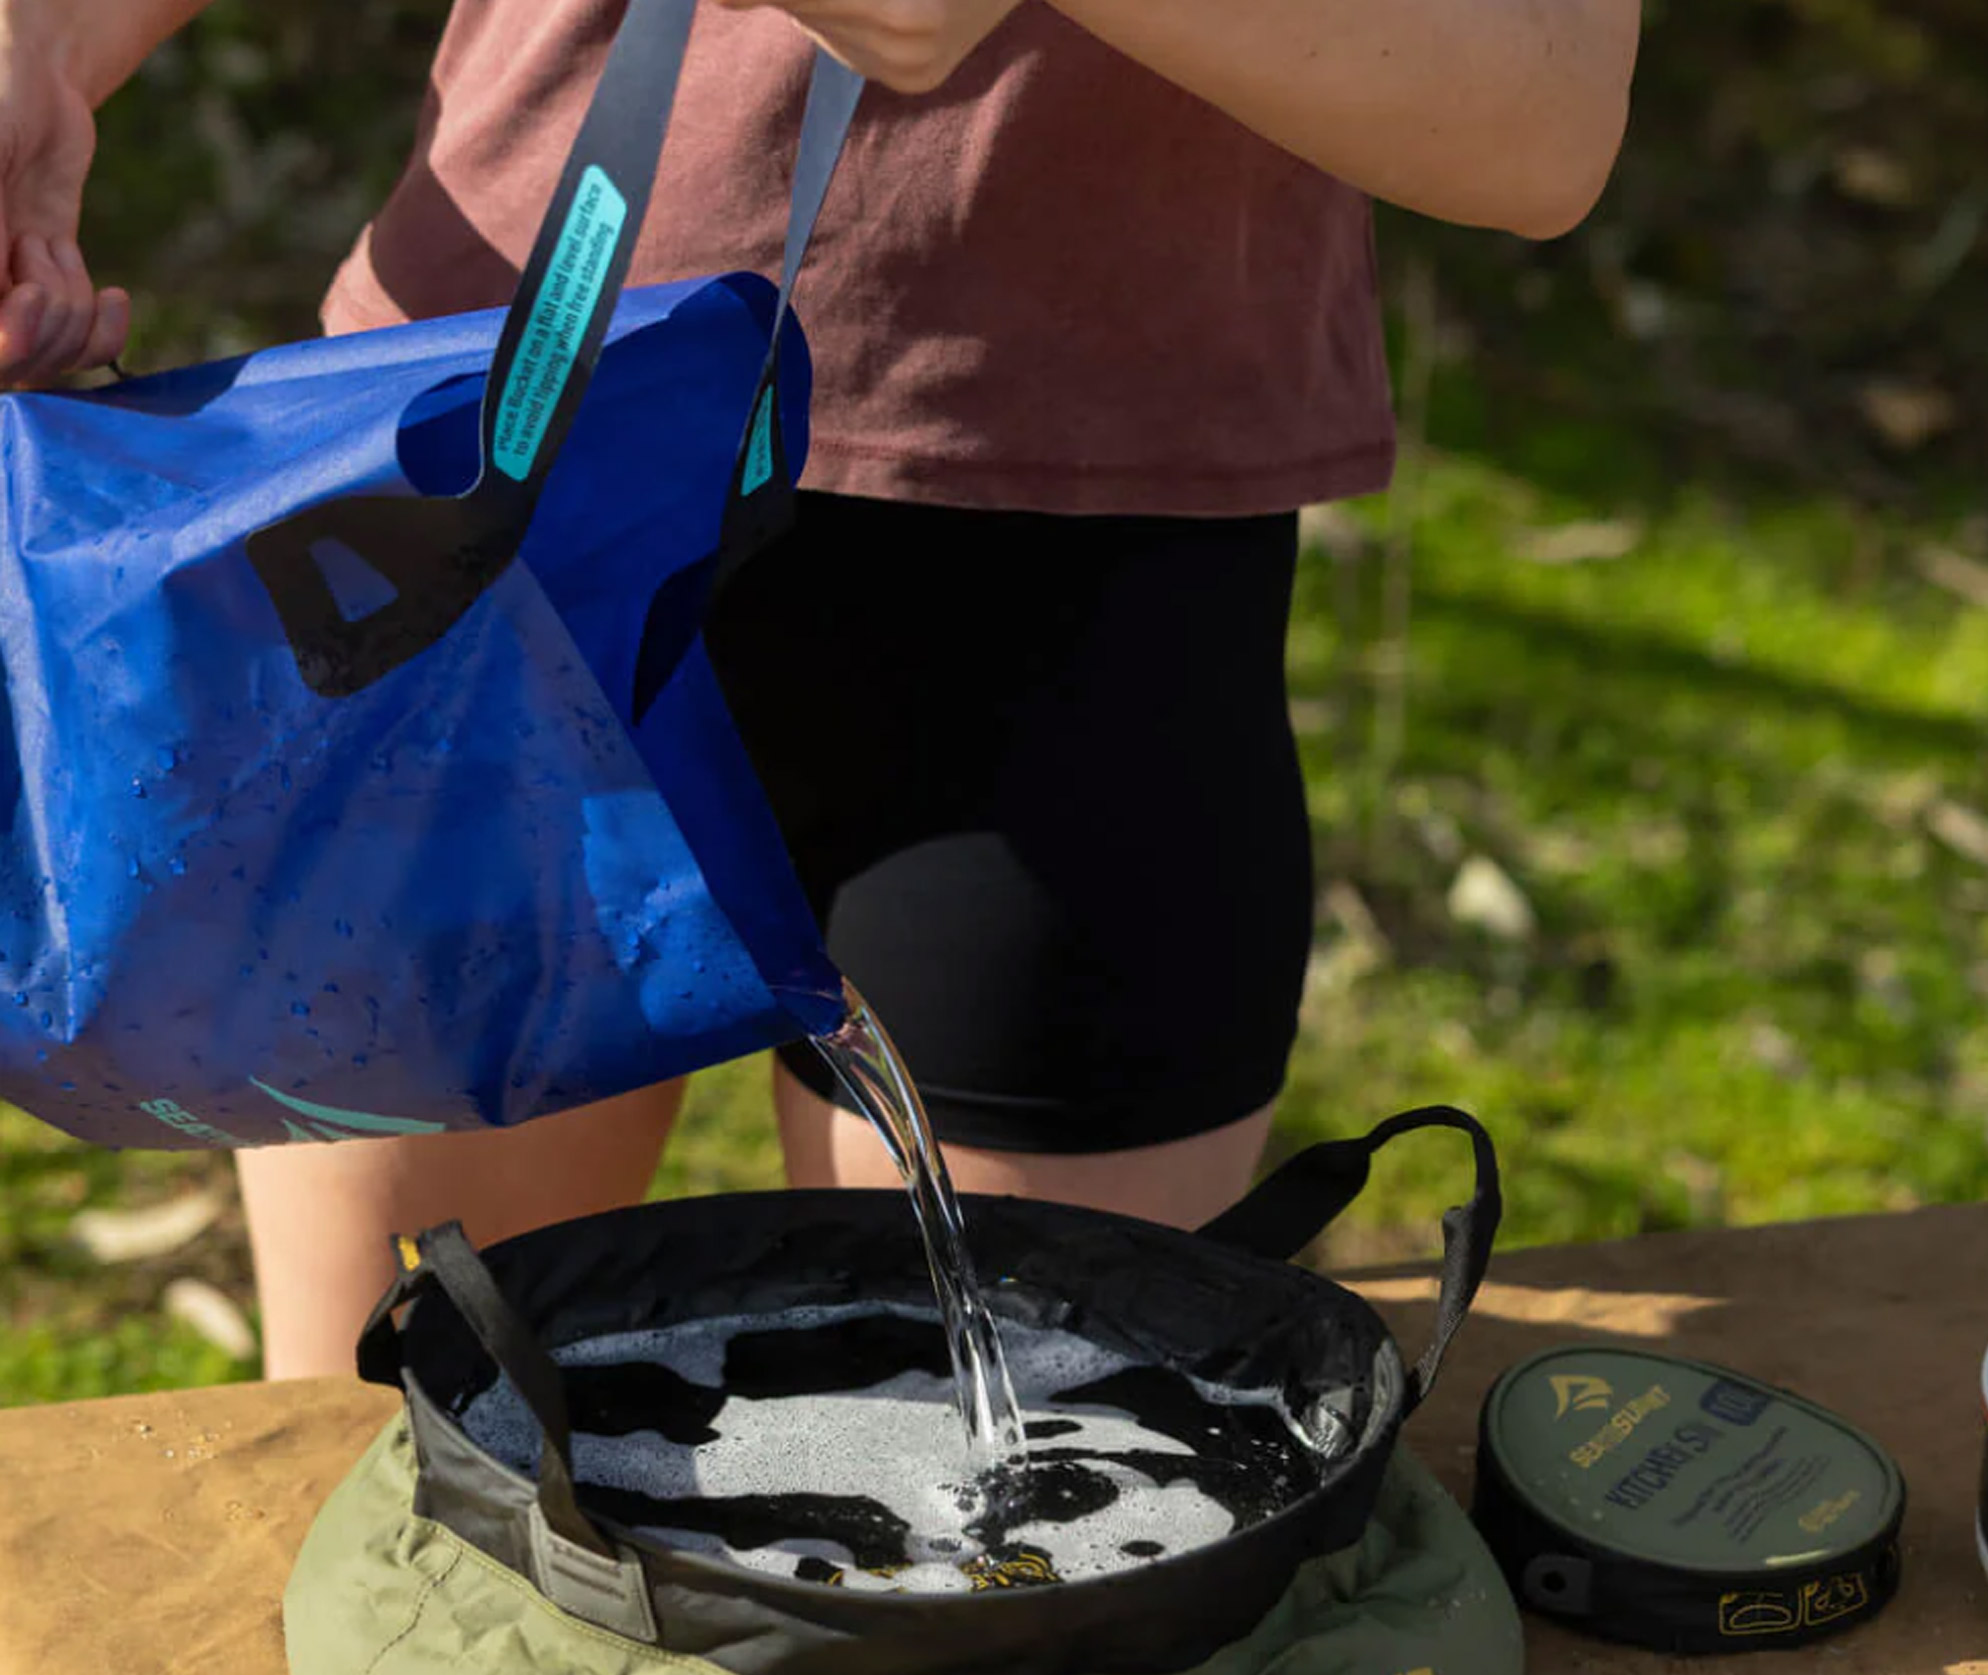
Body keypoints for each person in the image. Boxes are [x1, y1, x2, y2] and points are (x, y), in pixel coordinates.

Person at [0, 0, 1638, 1378]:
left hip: (1070, 566)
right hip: (480, 472)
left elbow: (1542, 119)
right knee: (392, 1493)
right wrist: (45, 44)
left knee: (1021, 1563)